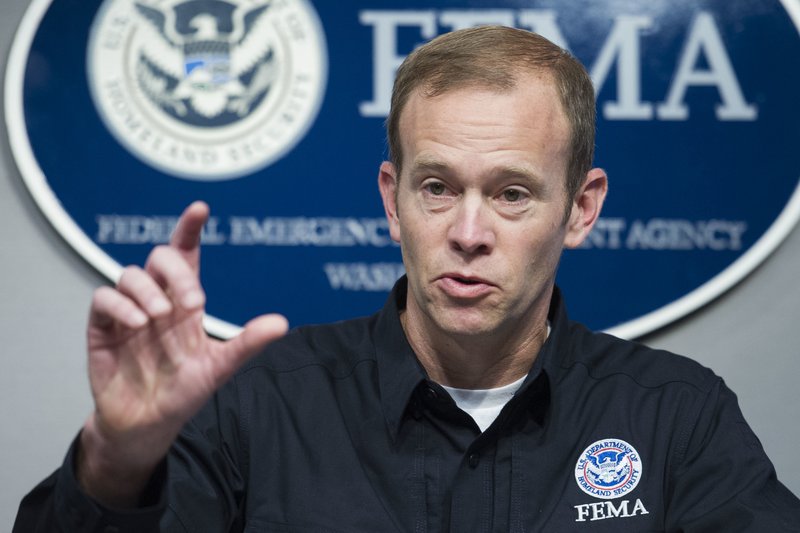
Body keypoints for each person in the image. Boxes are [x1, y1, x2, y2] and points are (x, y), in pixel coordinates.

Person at [14, 26, 800, 532]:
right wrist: (116, 461)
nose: (467, 232)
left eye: (511, 193)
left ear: (581, 207)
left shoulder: (678, 417)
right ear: (392, 200)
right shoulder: (254, 407)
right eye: (437, 188)